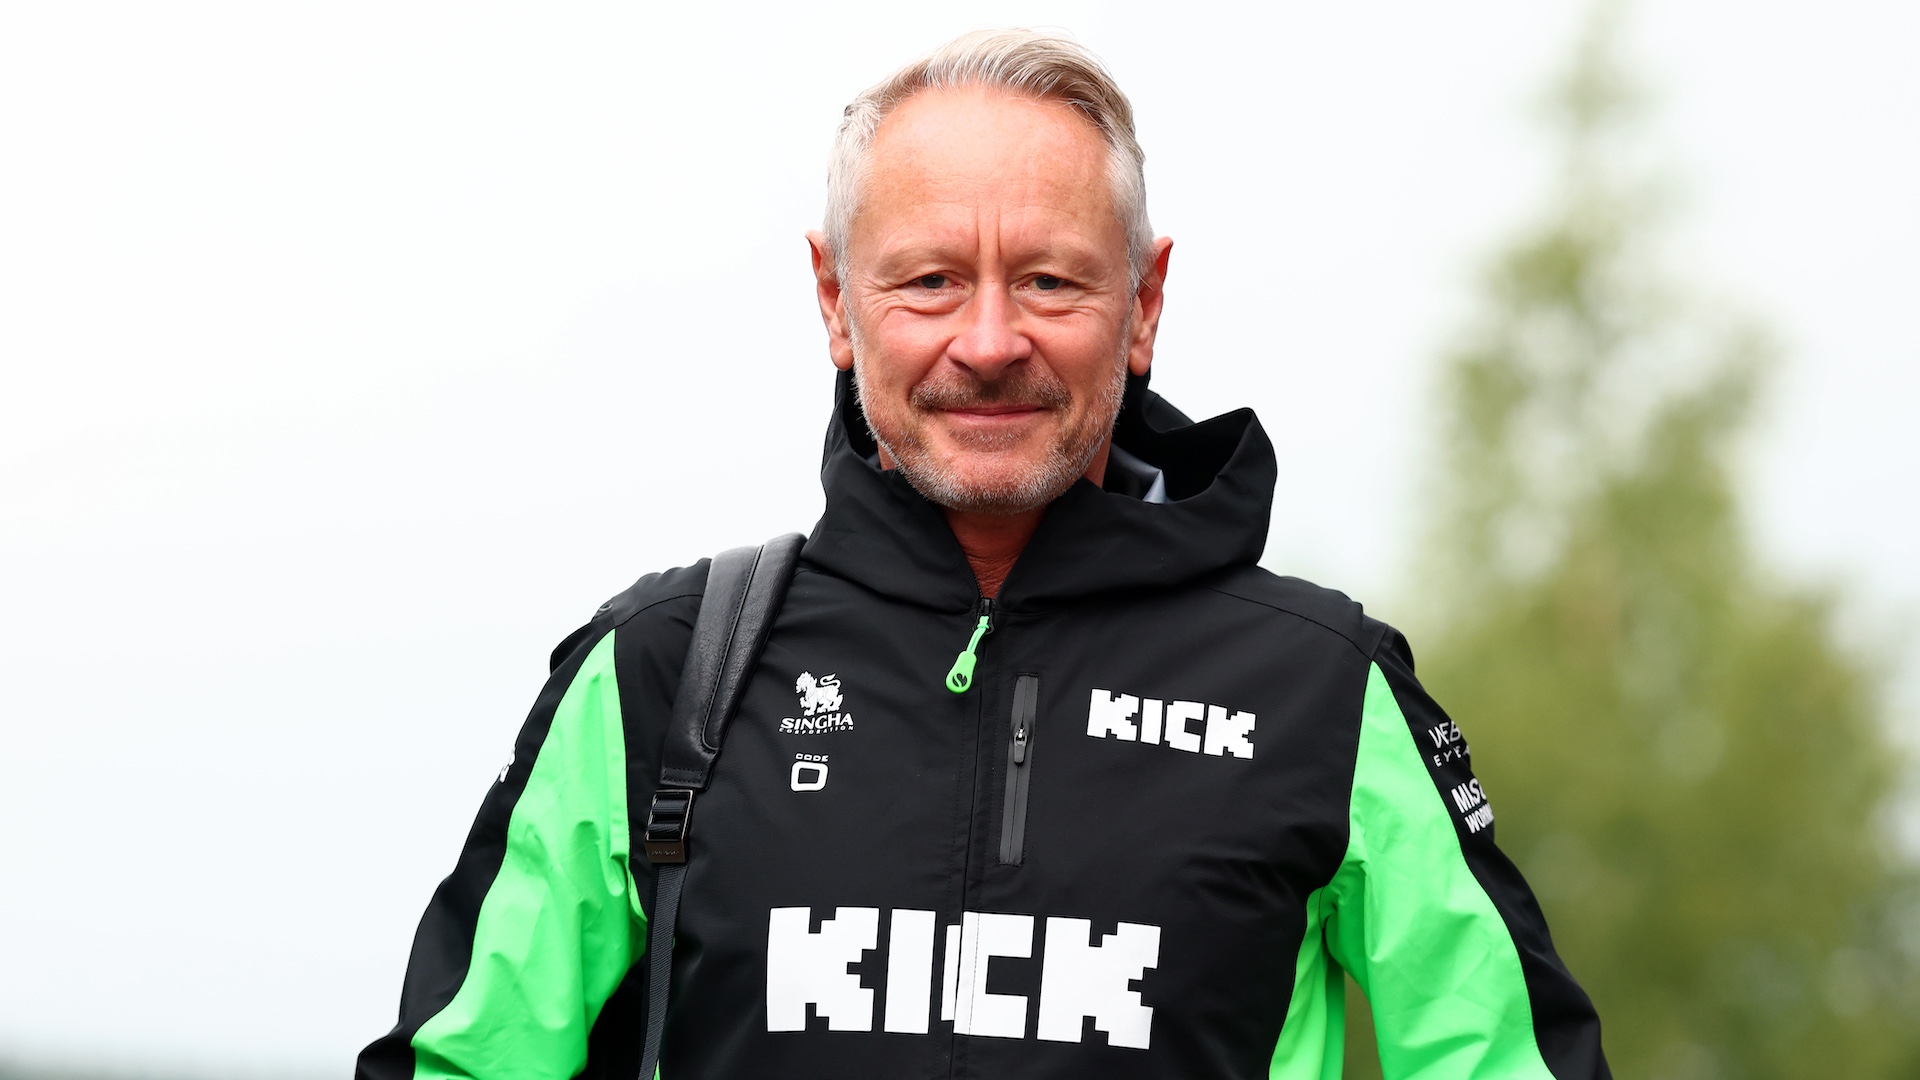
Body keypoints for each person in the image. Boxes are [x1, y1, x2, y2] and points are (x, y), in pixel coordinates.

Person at [357, 29, 1608, 1080]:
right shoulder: (660, 676)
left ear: (1146, 303)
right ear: (836, 302)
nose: (992, 339)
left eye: (1054, 280)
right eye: (932, 281)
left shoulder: (1326, 693)